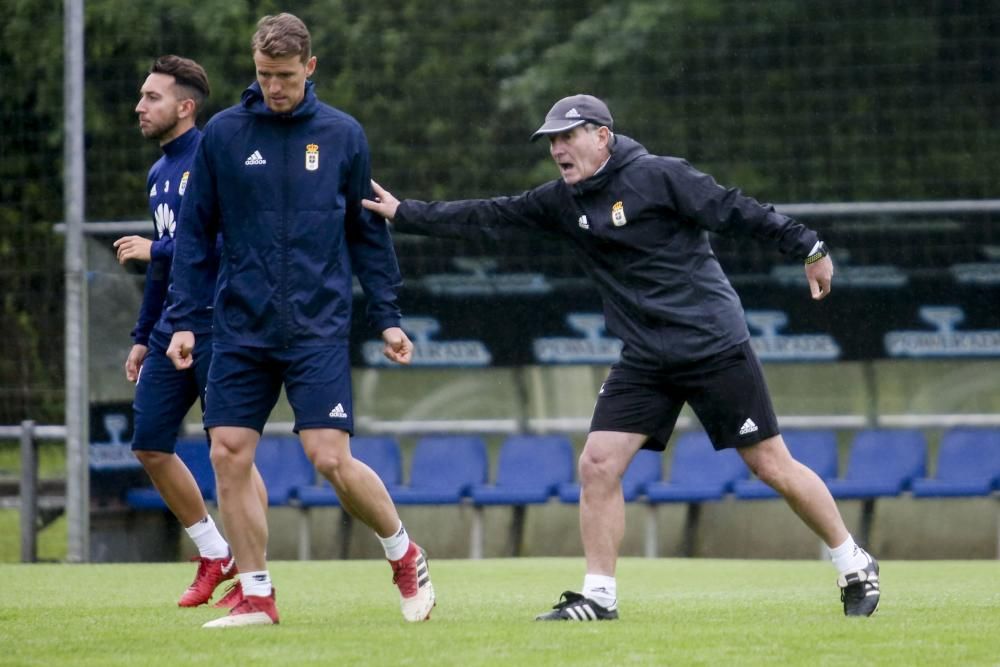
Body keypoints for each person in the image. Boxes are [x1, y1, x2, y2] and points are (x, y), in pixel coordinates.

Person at [362, 94, 880, 620]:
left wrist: (809, 248)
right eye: (552, 142)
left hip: (712, 346)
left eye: (568, 137)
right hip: (645, 358)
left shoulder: (659, 176)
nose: (558, 150)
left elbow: (737, 210)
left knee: (771, 464)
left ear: (601, 135)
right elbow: (492, 214)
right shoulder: (562, 201)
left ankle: (853, 562)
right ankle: (599, 597)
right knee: (598, 463)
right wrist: (407, 213)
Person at [166, 13, 435, 628]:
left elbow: (368, 234)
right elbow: (195, 238)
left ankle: (404, 552)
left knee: (328, 458)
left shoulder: (343, 135)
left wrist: (388, 316)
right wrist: (183, 319)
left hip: (316, 326)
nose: (274, 87)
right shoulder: (224, 136)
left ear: (309, 68)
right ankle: (258, 594)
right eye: (264, 75)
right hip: (240, 326)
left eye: (285, 76)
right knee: (228, 452)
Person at [116, 55, 266, 609]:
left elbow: (227, 243)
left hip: (221, 322)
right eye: (141, 95)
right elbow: (165, 268)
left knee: (232, 453)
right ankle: (214, 552)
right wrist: (142, 332)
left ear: (185, 106)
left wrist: (155, 247)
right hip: (170, 326)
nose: (140, 106)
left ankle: (255, 578)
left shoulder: (211, 155)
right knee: (150, 443)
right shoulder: (159, 174)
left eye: (152, 97)